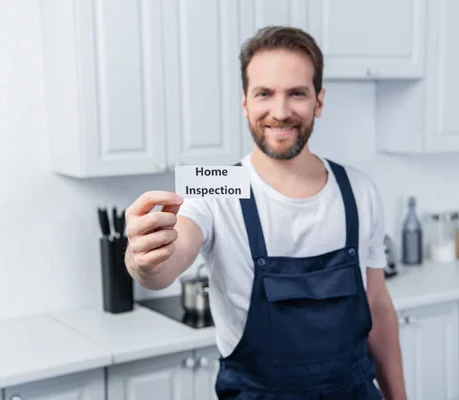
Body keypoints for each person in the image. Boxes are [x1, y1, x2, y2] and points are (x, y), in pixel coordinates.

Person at [124, 26, 406, 399]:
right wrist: (142, 260)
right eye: (264, 94)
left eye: (297, 94)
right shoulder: (216, 182)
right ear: (245, 102)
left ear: (318, 102)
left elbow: (378, 307)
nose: (280, 112)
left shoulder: (357, 188)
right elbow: (168, 262)